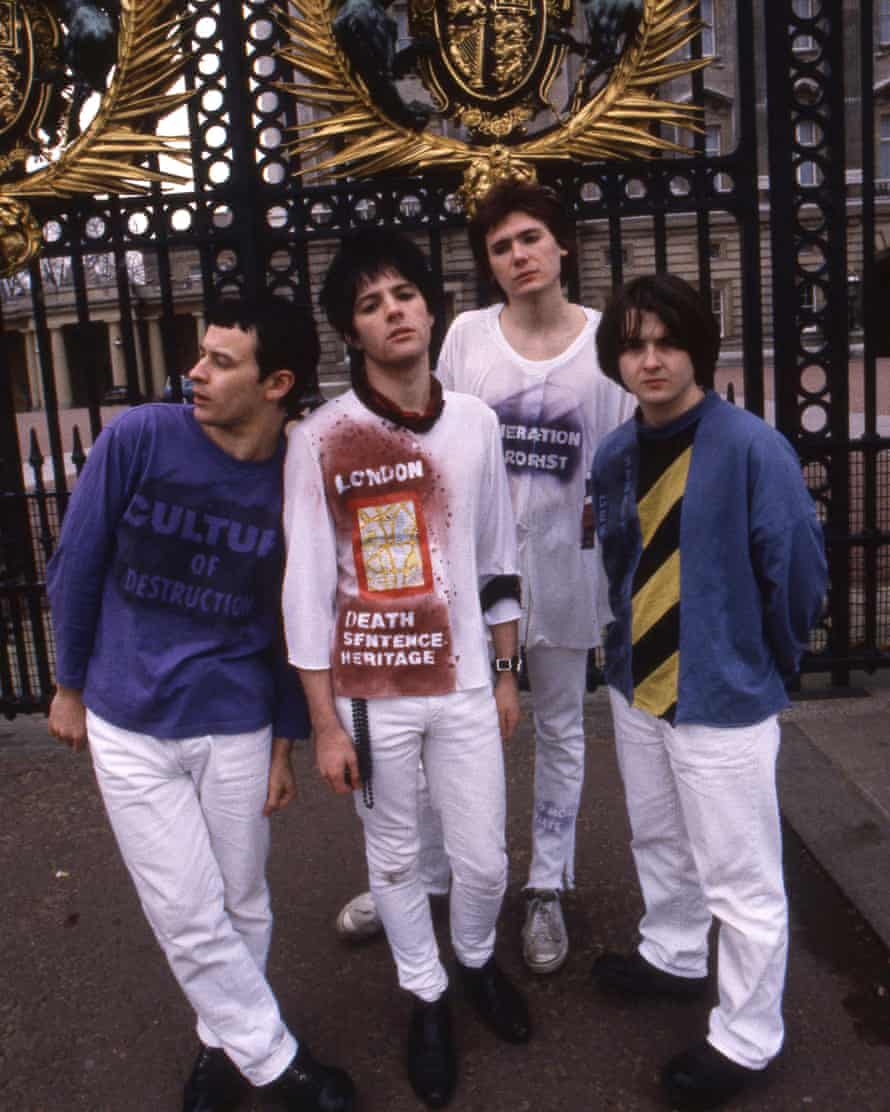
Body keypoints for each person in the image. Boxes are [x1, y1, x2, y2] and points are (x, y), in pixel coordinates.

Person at [46, 298, 355, 1112]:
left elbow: (297, 612)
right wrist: (69, 683)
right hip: (127, 718)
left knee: (242, 897)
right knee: (186, 912)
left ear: (278, 383)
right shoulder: (138, 438)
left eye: (221, 361)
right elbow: (77, 563)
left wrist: (288, 740)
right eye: (201, 354)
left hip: (235, 720)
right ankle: (280, 1065)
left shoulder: (294, 474)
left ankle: (221, 1048)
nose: (196, 372)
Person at [335, 180, 635, 975]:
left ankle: (544, 884)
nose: (518, 257)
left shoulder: (605, 344)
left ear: (561, 244)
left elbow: (619, 462)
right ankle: (422, 879)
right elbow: (433, 439)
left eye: (530, 238)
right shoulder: (467, 335)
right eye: (501, 248)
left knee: (561, 727)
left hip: (569, 575)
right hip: (466, 579)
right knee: (445, 726)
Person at [282, 229, 530, 1109]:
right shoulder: (321, 438)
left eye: (404, 295)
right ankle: (425, 998)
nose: (393, 312)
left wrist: (506, 670)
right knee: (392, 860)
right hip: (373, 693)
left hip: (464, 683)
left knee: (485, 861)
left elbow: (499, 550)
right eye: (369, 303)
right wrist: (320, 722)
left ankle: (473, 961)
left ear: (431, 308)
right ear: (353, 331)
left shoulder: (475, 425)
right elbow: (307, 587)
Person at [589, 274, 827, 1110]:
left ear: (697, 345)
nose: (650, 359)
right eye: (632, 344)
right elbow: (622, 563)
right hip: (636, 685)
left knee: (742, 877)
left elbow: (796, 568)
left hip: (722, 693)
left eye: (666, 341)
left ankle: (748, 1036)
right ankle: (675, 952)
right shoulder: (617, 452)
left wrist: (769, 657)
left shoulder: (751, 446)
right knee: (658, 837)